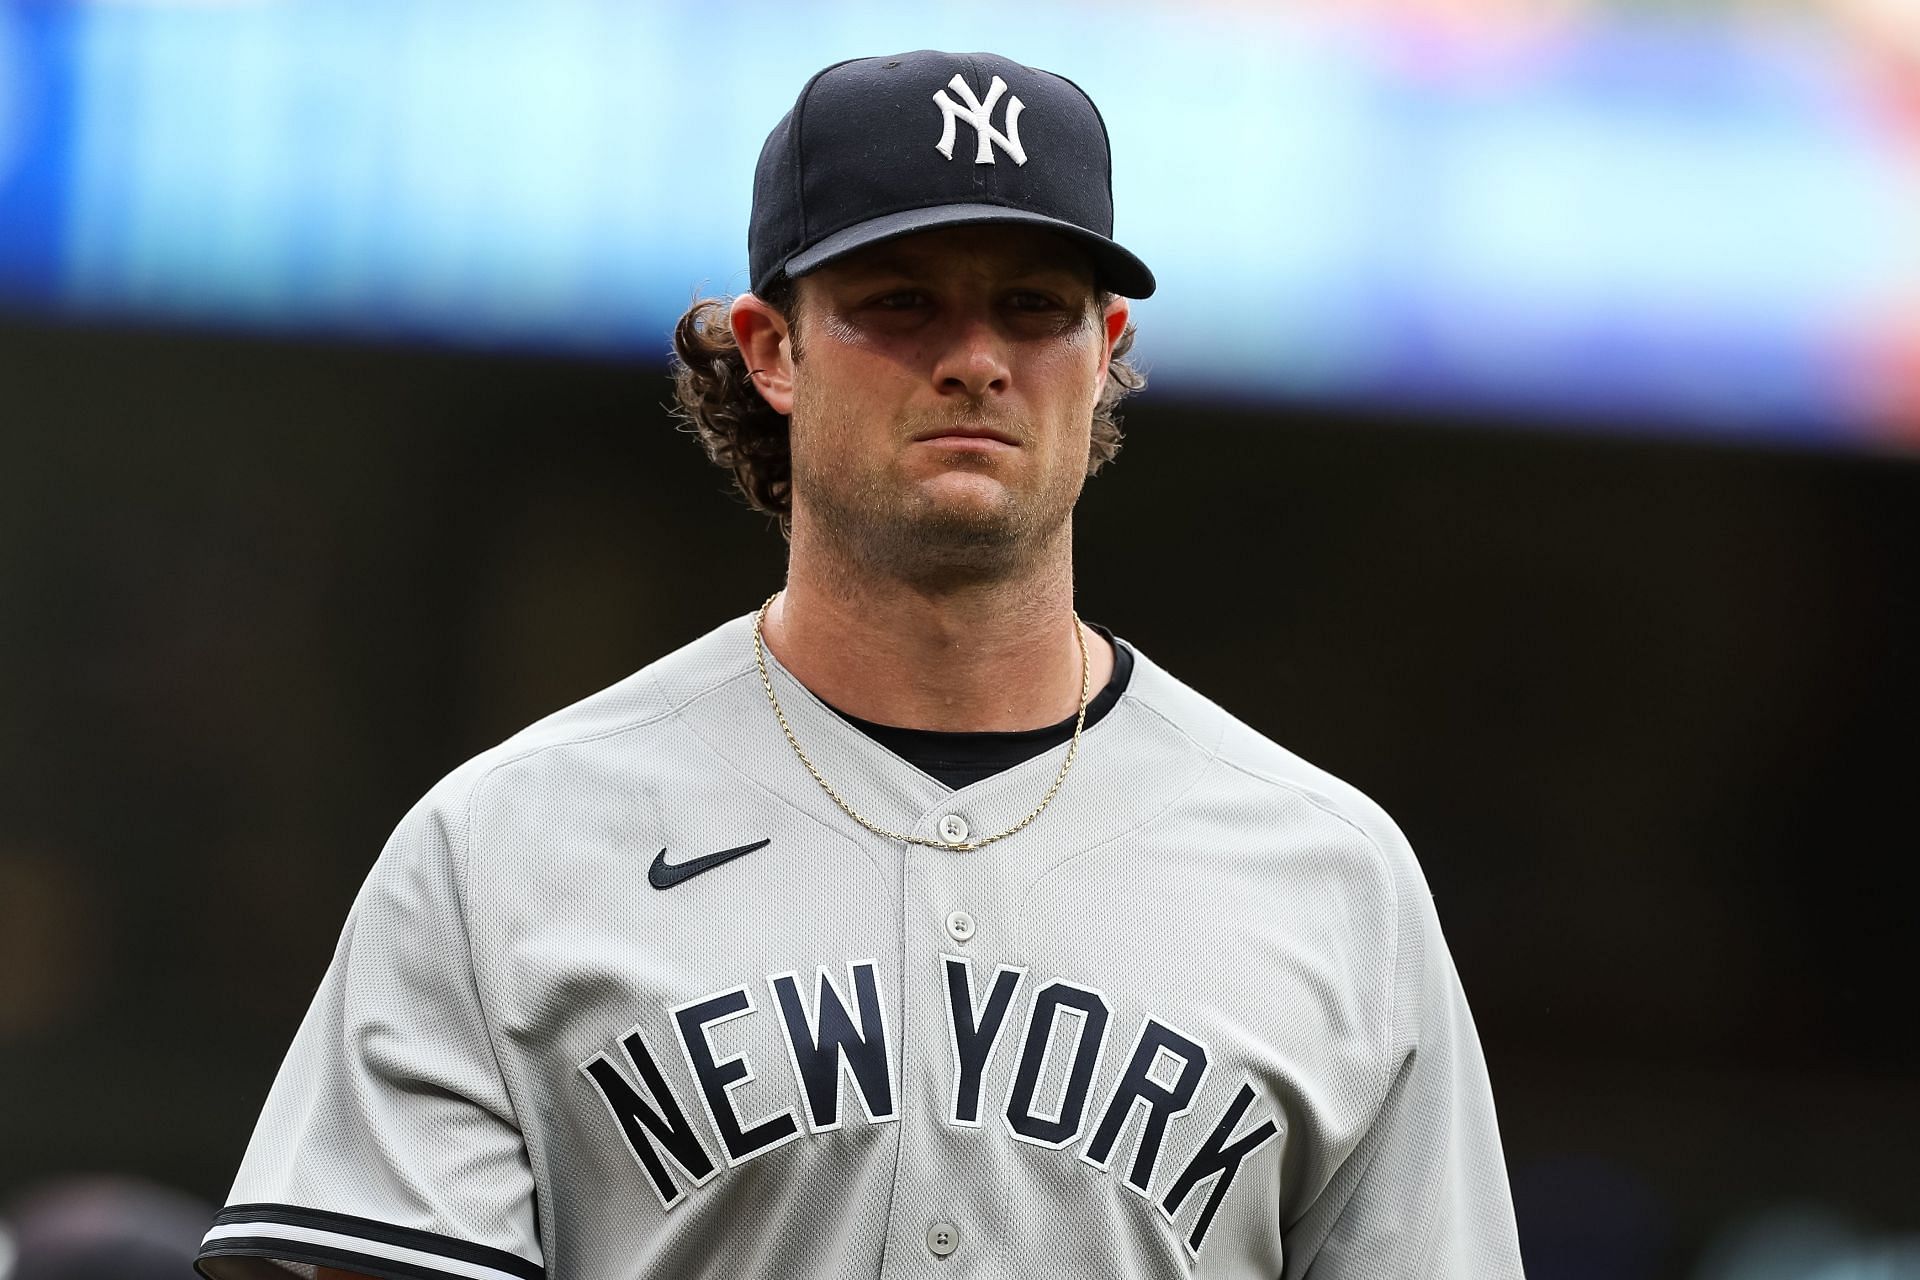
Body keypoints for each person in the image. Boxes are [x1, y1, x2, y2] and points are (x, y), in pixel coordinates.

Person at [196, 49, 1523, 1280]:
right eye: (900, 304)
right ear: (769, 347)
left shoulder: (1331, 873)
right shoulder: (506, 843)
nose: (976, 361)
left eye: (1033, 308)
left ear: (1107, 350)